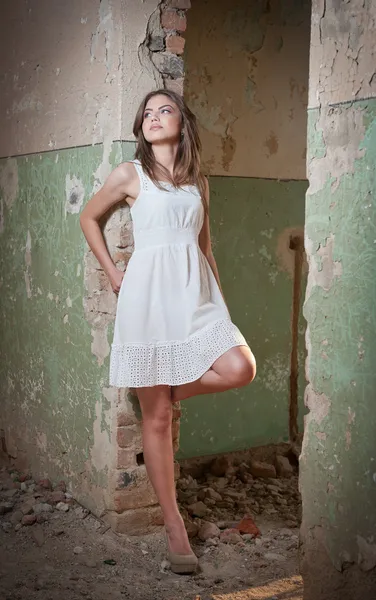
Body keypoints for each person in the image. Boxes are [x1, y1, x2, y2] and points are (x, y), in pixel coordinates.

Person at [80, 89, 256, 574]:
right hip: (147, 300)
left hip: (196, 300)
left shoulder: (199, 182)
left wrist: (219, 303)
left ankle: (170, 389)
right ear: (141, 127)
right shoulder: (129, 175)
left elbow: (205, 245)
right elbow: (88, 217)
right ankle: (175, 528)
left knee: (242, 366)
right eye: (148, 113)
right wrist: (114, 274)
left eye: (165, 110)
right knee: (155, 423)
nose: (155, 118)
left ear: (182, 121)